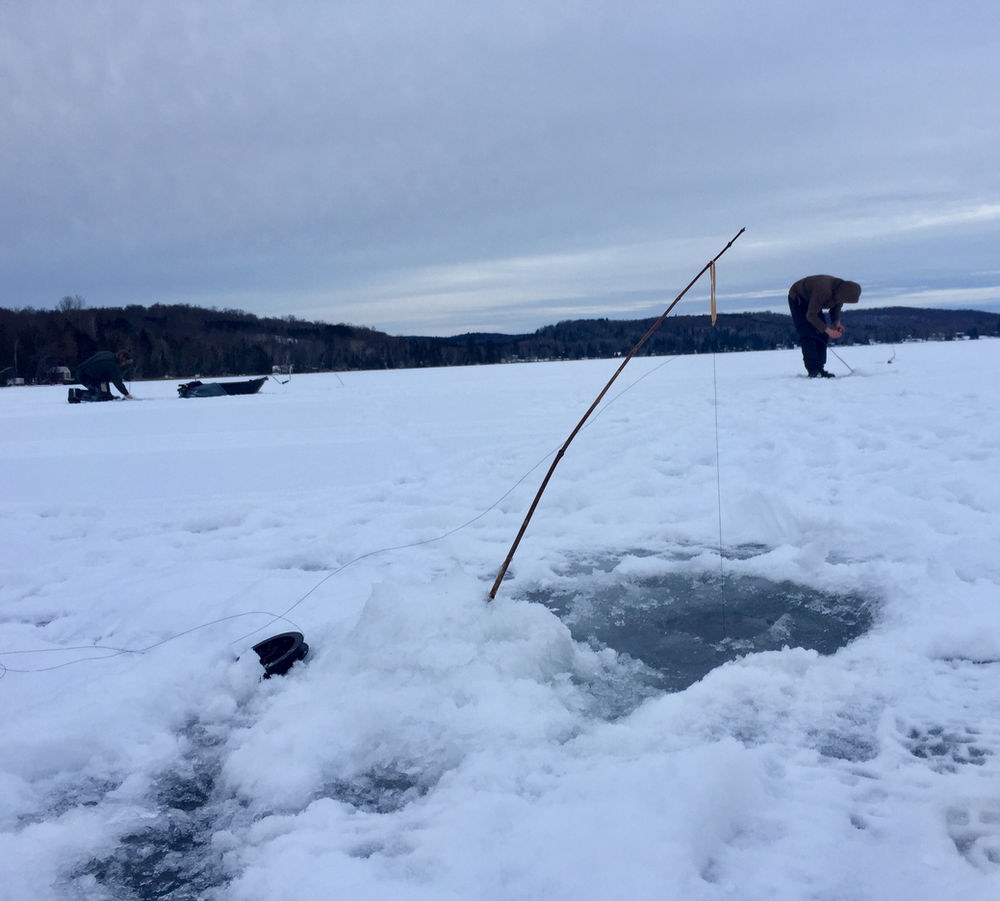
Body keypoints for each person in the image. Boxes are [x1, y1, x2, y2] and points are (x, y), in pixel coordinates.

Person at [787, 275, 861, 378]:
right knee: (808, 333)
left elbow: (835, 309)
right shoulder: (823, 290)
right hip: (798, 297)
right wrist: (829, 331)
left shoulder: (841, 292)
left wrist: (836, 324)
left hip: (812, 301)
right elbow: (811, 315)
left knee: (822, 333)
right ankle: (813, 370)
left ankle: (820, 368)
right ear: (843, 294)